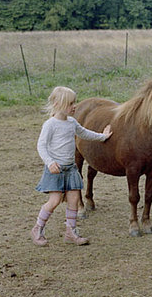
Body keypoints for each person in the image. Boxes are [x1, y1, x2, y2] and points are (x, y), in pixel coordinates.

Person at [30, 86, 112, 246]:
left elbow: (85, 133)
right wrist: (50, 162)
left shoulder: (72, 122)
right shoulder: (50, 125)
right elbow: (41, 146)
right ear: (57, 104)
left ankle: (70, 232)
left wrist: (103, 136)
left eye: (74, 102)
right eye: (70, 103)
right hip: (56, 170)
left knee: (74, 200)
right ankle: (38, 228)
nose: (74, 106)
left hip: (70, 169)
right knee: (54, 201)